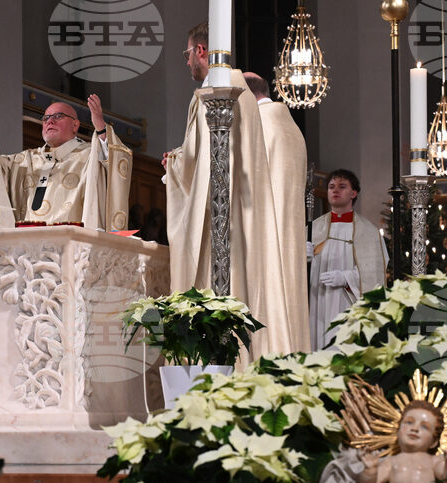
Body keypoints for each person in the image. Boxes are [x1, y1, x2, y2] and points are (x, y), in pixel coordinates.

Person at [164, 23, 301, 361]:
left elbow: (201, 159)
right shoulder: (238, 90)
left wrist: (174, 165)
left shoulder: (220, 89)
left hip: (223, 219)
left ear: (200, 51)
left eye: (187, 54)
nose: (187, 64)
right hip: (240, 213)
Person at [0, 95, 131, 230]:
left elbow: (115, 162)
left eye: (58, 116)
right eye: (46, 118)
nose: (50, 122)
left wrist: (102, 130)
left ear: (75, 125)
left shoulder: (90, 155)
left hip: (72, 245)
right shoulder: (26, 160)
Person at [243, 72, 310, 353]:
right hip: (288, 231)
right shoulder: (290, 126)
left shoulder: (261, 124)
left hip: (264, 230)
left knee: (266, 299)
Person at [307, 169, 387, 349]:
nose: (335, 190)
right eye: (331, 187)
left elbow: (376, 273)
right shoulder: (313, 228)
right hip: (318, 299)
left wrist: (346, 278)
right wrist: (300, 258)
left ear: (354, 193)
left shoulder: (369, 232)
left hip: (348, 300)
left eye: (342, 186)